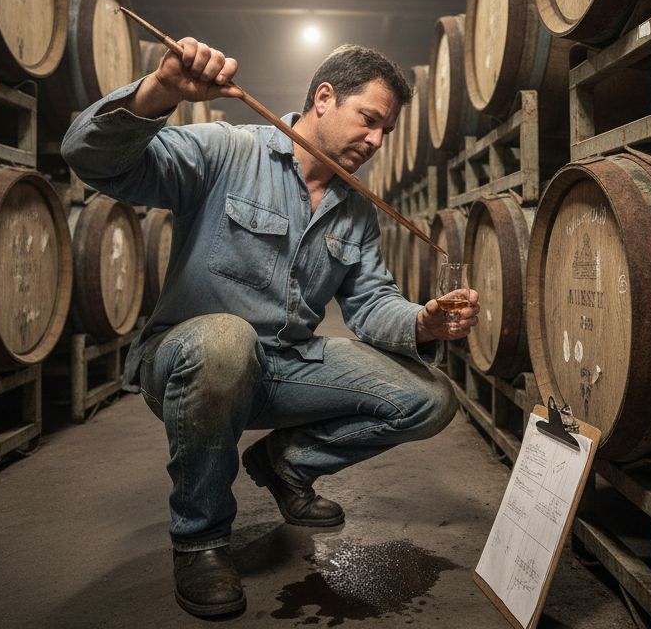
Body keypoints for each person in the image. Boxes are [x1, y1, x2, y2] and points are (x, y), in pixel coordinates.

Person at [60, 39, 478, 617]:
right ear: (325, 98)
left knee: (430, 398)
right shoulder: (227, 150)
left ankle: (286, 465)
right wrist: (158, 93)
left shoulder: (355, 208)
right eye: (370, 120)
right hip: (192, 361)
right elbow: (92, 159)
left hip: (285, 365)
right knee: (226, 341)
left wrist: (424, 322)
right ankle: (201, 541)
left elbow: (373, 306)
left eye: (385, 130)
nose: (377, 141)